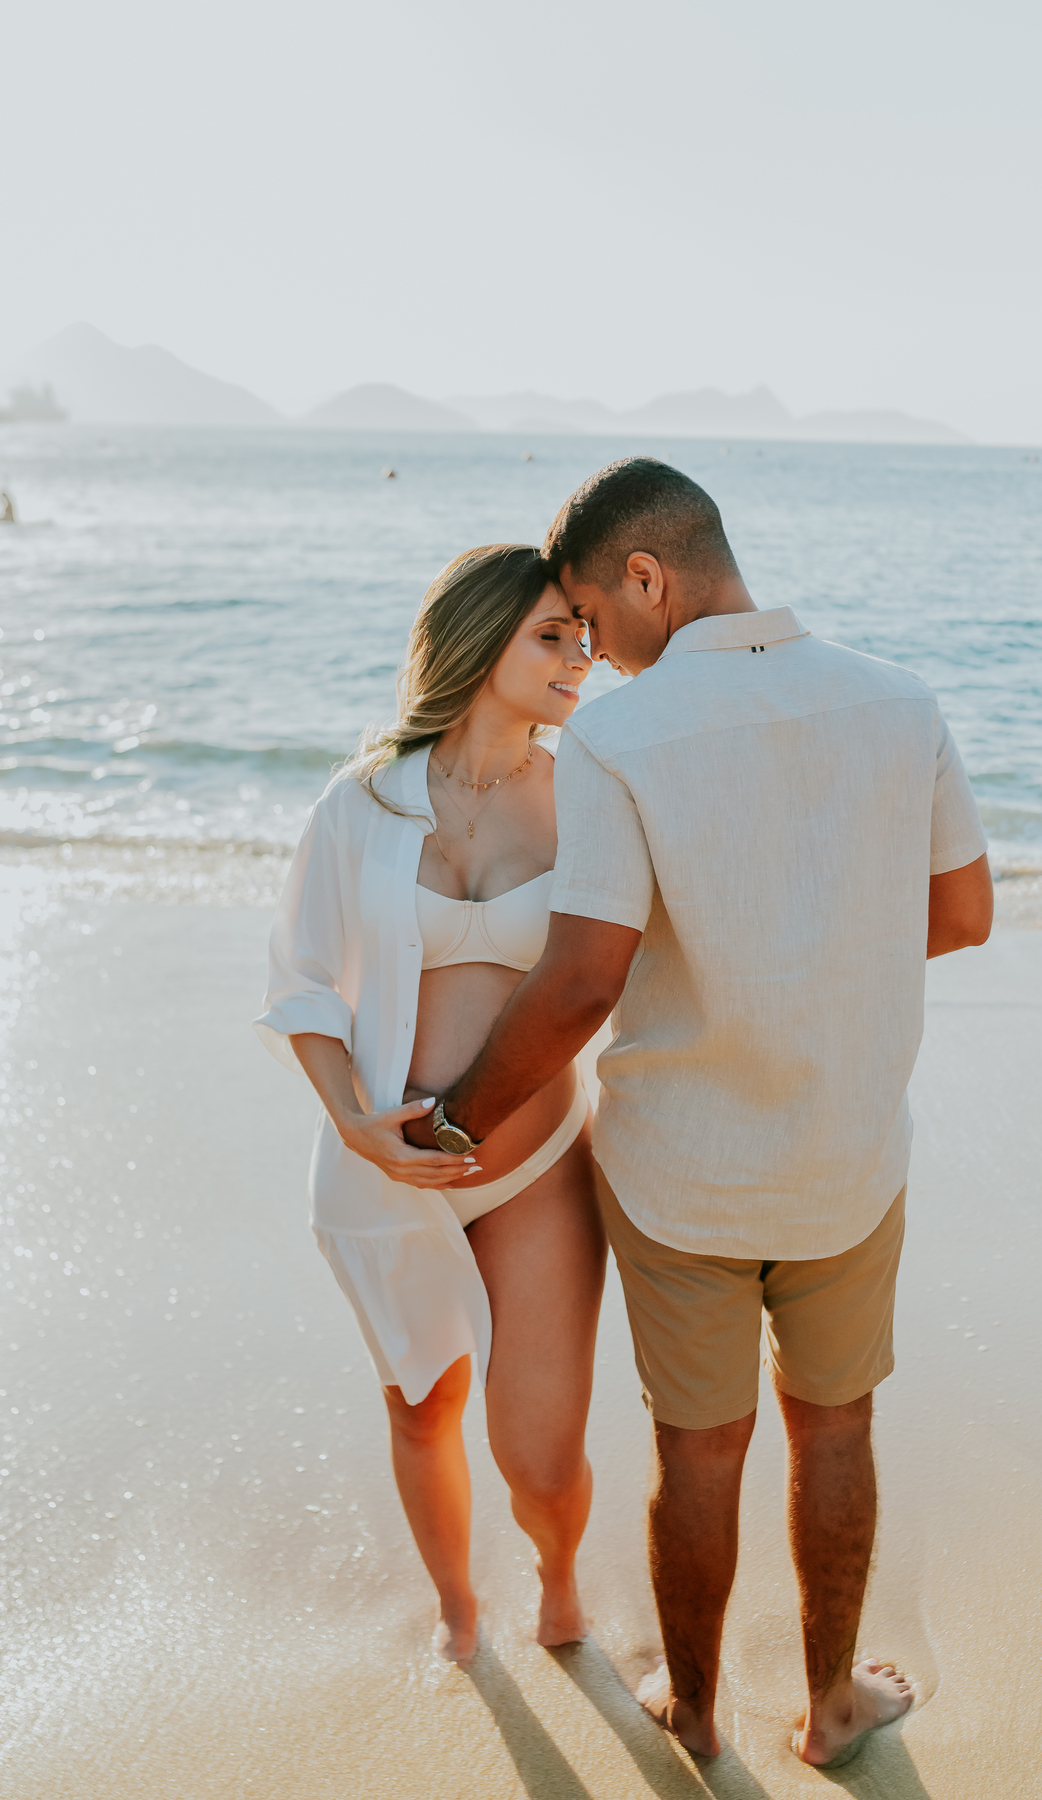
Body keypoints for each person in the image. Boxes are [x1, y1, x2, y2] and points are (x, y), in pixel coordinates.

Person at [404, 459, 993, 1767]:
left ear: (647, 577)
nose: (596, 653)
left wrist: (452, 1121)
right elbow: (963, 914)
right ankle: (833, 1708)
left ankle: (697, 1711)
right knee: (837, 1424)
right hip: (848, 1157)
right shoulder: (901, 702)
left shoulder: (623, 739)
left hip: (681, 1177)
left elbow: (582, 979)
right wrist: (820, 955)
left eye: (591, 616)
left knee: (701, 1444)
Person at [254, 544, 605, 1665]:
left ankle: (558, 1577)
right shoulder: (361, 801)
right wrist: (352, 1122)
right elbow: (303, 983)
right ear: (480, 639)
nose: (579, 658)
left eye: (585, 638)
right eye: (551, 635)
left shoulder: (591, 797)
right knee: (421, 1407)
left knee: (539, 1456)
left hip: (538, 1168)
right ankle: (459, 1611)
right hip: (387, 1172)